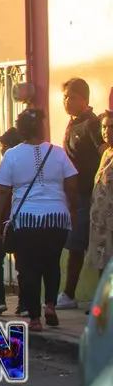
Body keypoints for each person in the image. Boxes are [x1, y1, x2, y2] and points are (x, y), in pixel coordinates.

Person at [0, 107, 79, 331]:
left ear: (20, 130)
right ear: (41, 127)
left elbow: (1, 192)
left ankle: (35, 319)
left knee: (29, 268)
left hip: (27, 220)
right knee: (52, 264)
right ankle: (50, 305)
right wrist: (72, 211)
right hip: (57, 219)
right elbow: (72, 185)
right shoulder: (58, 153)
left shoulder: (12, 155)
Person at [59, 78, 105, 310]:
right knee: (76, 246)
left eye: (71, 97)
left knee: (90, 247)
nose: (65, 101)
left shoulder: (92, 124)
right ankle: (70, 295)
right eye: (64, 97)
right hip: (73, 197)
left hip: (91, 196)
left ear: (83, 99)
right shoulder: (72, 124)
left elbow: (105, 152)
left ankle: (72, 295)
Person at [0, 126, 25, 316]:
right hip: (22, 221)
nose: (1, 149)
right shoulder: (27, 166)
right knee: (23, 263)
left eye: (3, 145)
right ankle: (24, 303)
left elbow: (0, 194)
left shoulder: (7, 164)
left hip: (6, 221)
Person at [85, 112, 113, 284]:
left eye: (111, 127)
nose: (106, 131)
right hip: (100, 224)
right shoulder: (106, 153)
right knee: (102, 265)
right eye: (104, 126)